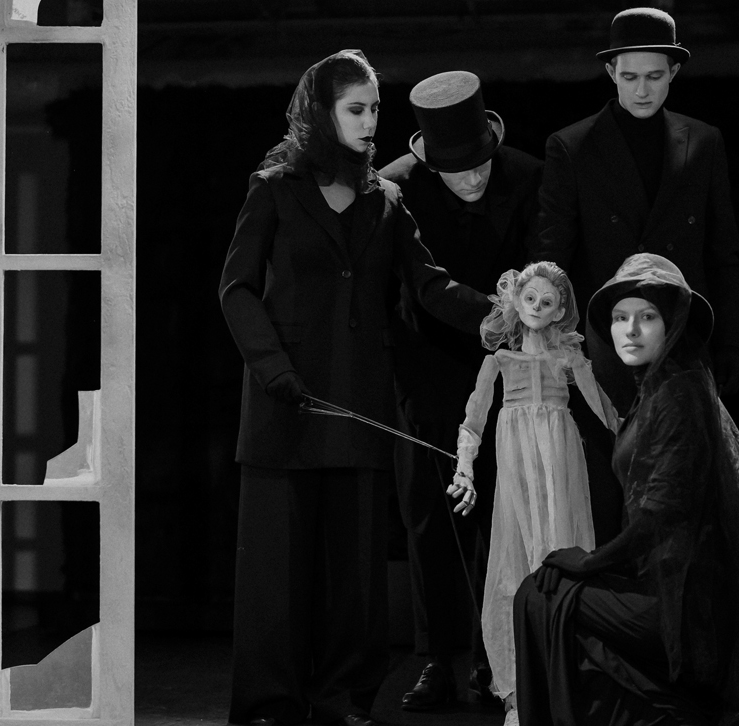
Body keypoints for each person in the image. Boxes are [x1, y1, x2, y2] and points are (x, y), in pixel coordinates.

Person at [218, 50, 492, 726]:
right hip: (285, 402)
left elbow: (428, 284)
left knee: (354, 573)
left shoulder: (385, 200)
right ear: (322, 112)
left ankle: (342, 699)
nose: (370, 122)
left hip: (357, 401)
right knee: (278, 572)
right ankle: (271, 704)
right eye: (356, 109)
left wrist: (496, 314)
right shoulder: (274, 189)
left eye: (374, 109)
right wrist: (273, 368)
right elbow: (236, 289)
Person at [511, 254, 739, 726]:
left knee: (539, 594)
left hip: (687, 611)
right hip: (664, 587)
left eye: (648, 316)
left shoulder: (680, 390)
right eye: (620, 318)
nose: (630, 330)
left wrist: (587, 562)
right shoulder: (657, 389)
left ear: (673, 324)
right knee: (546, 591)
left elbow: (662, 511)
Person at [376, 71, 565, 710]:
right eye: (458, 172)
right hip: (427, 367)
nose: (475, 178)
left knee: (504, 514)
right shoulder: (396, 188)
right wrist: (494, 312)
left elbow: (545, 266)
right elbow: (420, 282)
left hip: (511, 371)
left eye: (481, 164)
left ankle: (495, 659)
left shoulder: (528, 176)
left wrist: (522, 321)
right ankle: (436, 657)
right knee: (430, 516)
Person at [531, 7, 739, 412]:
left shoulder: (703, 142)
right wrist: (547, 341)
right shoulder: (572, 147)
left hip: (681, 337)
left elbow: (723, 253)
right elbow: (552, 254)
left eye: (654, 76)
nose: (642, 90)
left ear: (673, 72)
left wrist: (729, 343)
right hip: (604, 343)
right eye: (630, 77)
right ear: (611, 72)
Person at [444, 261, 618, 725]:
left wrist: (641, 446)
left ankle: (565, 686)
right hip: (518, 463)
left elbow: (605, 412)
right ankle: (518, 695)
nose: (538, 307)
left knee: (563, 553)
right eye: (530, 299)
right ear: (515, 303)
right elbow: (473, 421)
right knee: (515, 560)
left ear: (560, 310)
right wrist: (464, 469)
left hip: (561, 462)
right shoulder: (498, 362)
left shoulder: (570, 360)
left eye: (547, 301)